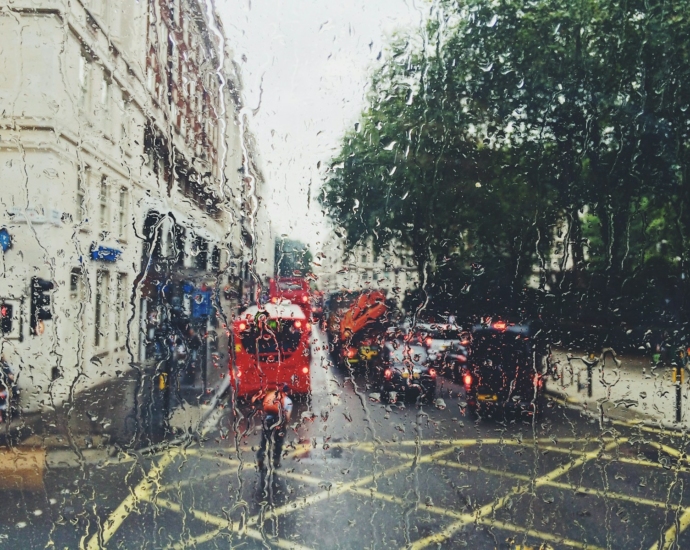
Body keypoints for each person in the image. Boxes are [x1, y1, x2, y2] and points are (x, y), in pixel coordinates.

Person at [255, 384, 293, 470]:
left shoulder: (271, 396)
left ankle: (260, 459)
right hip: (279, 423)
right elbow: (287, 415)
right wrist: (284, 424)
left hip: (267, 421)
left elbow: (265, 407)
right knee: (278, 443)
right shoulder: (287, 400)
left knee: (264, 442)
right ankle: (276, 462)